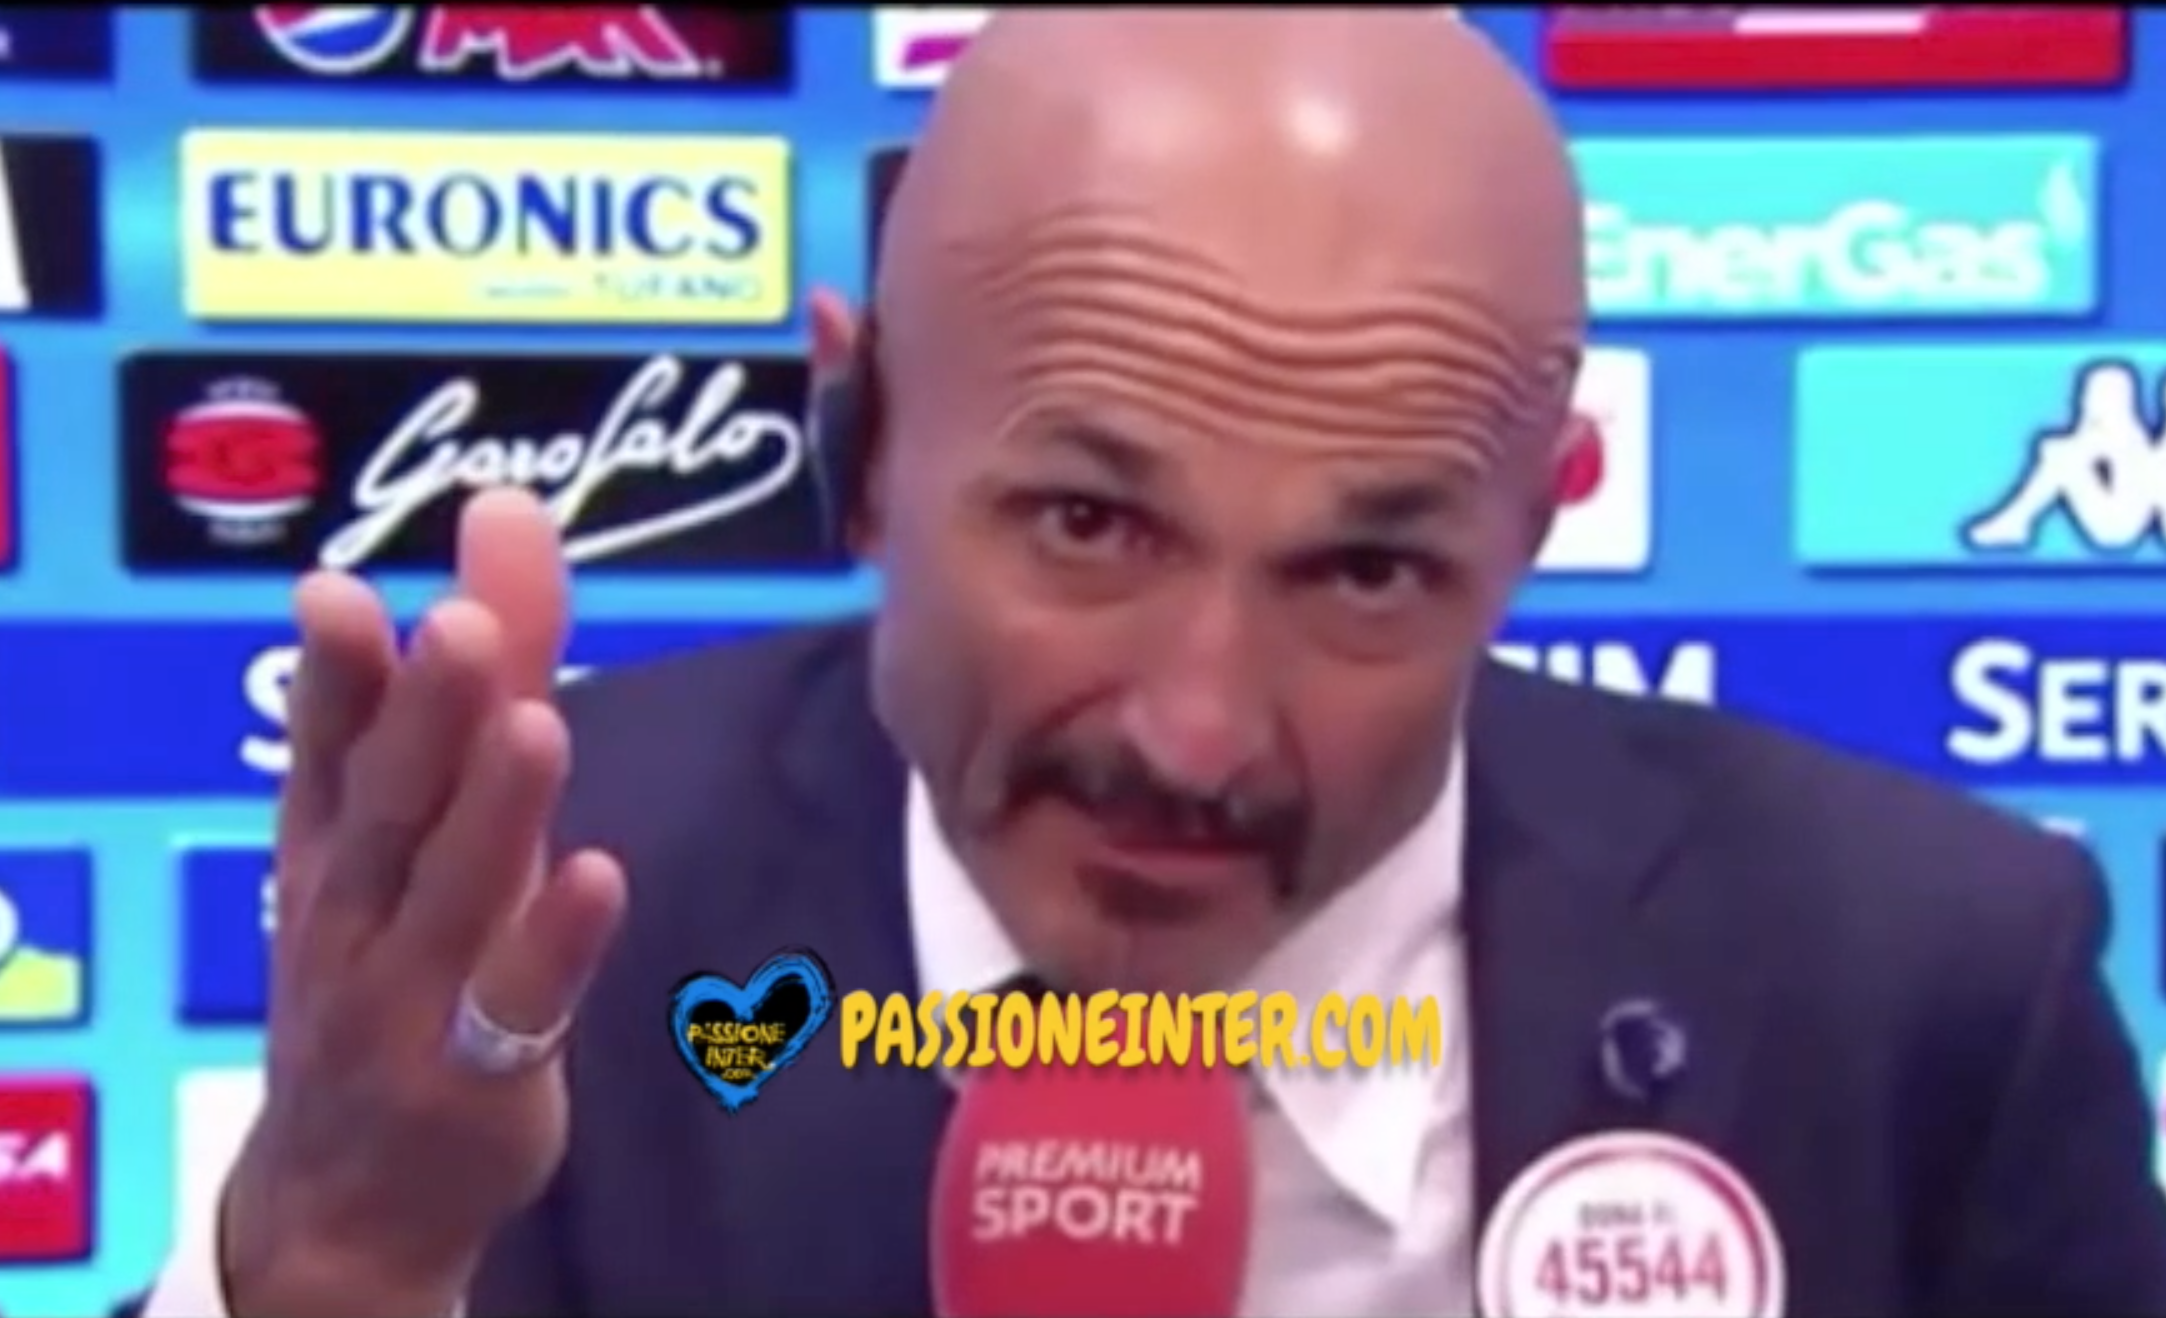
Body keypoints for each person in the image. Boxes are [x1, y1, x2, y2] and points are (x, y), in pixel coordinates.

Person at [138, 9, 2166, 1317]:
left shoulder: (1919, 985)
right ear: (863, 441)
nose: (1197, 730)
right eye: (1087, 526)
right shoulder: (536, 930)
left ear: (1533, 530)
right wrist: (331, 1263)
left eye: (1366, 569)